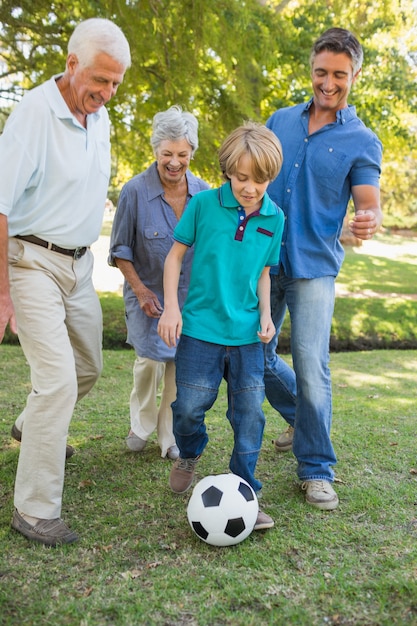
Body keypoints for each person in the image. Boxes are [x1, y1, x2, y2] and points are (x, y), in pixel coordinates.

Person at [0, 18, 131, 546]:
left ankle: (33, 427)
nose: (107, 93)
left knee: (88, 367)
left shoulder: (97, 117)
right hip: (30, 264)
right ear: (72, 63)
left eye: (117, 83)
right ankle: (33, 511)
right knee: (56, 381)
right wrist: (3, 289)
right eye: (100, 80)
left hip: (78, 267)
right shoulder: (35, 113)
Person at [264, 27, 383, 510]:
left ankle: (316, 470)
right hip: (263, 262)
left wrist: (369, 217)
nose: (328, 83)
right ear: (311, 70)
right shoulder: (280, 120)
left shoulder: (361, 139)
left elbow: (368, 203)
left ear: (354, 75)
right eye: (320, 72)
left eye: (339, 74)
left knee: (313, 367)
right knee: (250, 356)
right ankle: (301, 418)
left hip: (314, 269)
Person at [157, 122, 285, 531]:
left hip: (248, 336)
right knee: (189, 407)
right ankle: (190, 452)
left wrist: (266, 316)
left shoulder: (274, 217)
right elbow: (174, 257)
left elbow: (264, 273)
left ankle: (245, 491)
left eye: (260, 180)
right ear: (228, 169)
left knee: (249, 416)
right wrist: (171, 309)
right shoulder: (203, 205)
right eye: (242, 178)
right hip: (199, 331)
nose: (250, 188)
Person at [108, 105, 210, 460]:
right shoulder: (134, 191)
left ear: (191, 153)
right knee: (149, 361)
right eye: (167, 154)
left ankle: (168, 435)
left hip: (187, 299)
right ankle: (142, 422)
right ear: (155, 151)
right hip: (146, 293)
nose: (174, 162)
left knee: (177, 368)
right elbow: (120, 249)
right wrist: (140, 290)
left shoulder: (204, 194)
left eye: (182, 154)